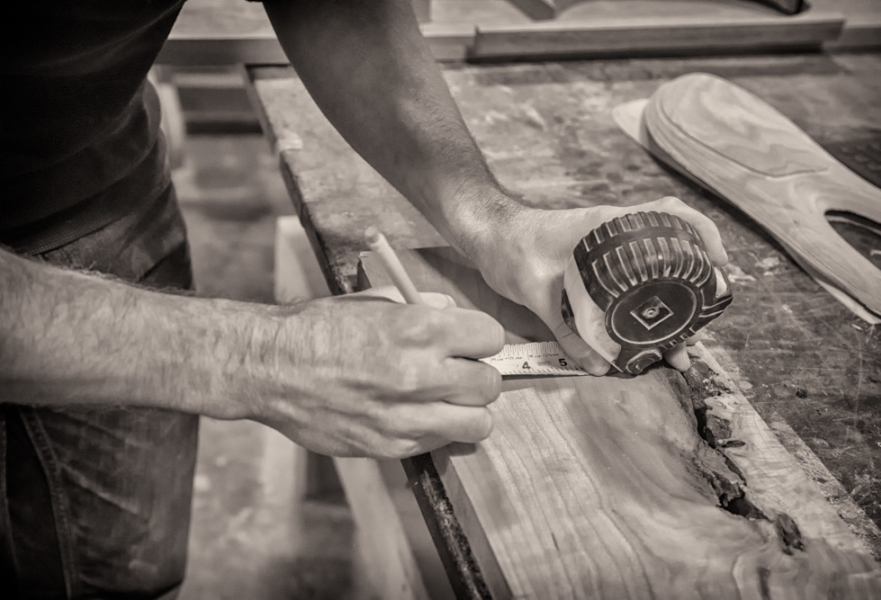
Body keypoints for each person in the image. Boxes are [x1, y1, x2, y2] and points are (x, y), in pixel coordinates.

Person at [0, 0, 728, 597]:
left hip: (89, 172)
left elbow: (337, 4)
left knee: (120, 565)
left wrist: (492, 221)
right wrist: (252, 356)